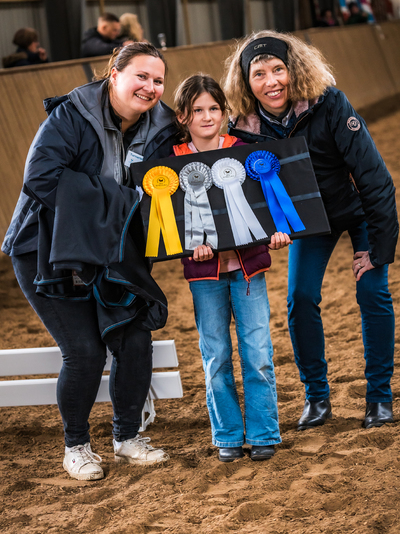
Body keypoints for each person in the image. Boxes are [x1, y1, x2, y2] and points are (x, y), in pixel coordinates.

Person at [2, 42, 180, 481]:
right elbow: (41, 177)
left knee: (134, 339)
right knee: (84, 351)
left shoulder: (164, 128)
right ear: (114, 74)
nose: (151, 87)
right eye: (141, 76)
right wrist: (119, 202)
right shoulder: (70, 115)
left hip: (113, 250)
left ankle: (127, 438)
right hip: (46, 248)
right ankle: (76, 446)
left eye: (158, 80)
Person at [224, 31, 398, 431]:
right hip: (311, 223)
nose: (271, 82)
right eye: (259, 74)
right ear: (246, 82)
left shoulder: (329, 103)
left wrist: (379, 251)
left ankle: (379, 397)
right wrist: (271, 230)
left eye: (278, 69)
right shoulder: (243, 127)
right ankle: (316, 398)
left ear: (294, 69)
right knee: (300, 298)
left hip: (358, 210)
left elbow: (375, 178)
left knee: (372, 291)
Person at [172, 74, 291, 462]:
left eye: (214, 109)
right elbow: (169, 225)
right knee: (216, 355)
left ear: (224, 112)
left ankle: (263, 432)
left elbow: (267, 205)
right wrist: (189, 248)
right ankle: (226, 435)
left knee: (257, 352)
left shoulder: (246, 153)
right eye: (197, 110)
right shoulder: (170, 163)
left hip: (248, 270)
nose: (207, 117)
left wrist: (277, 233)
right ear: (183, 116)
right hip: (204, 276)